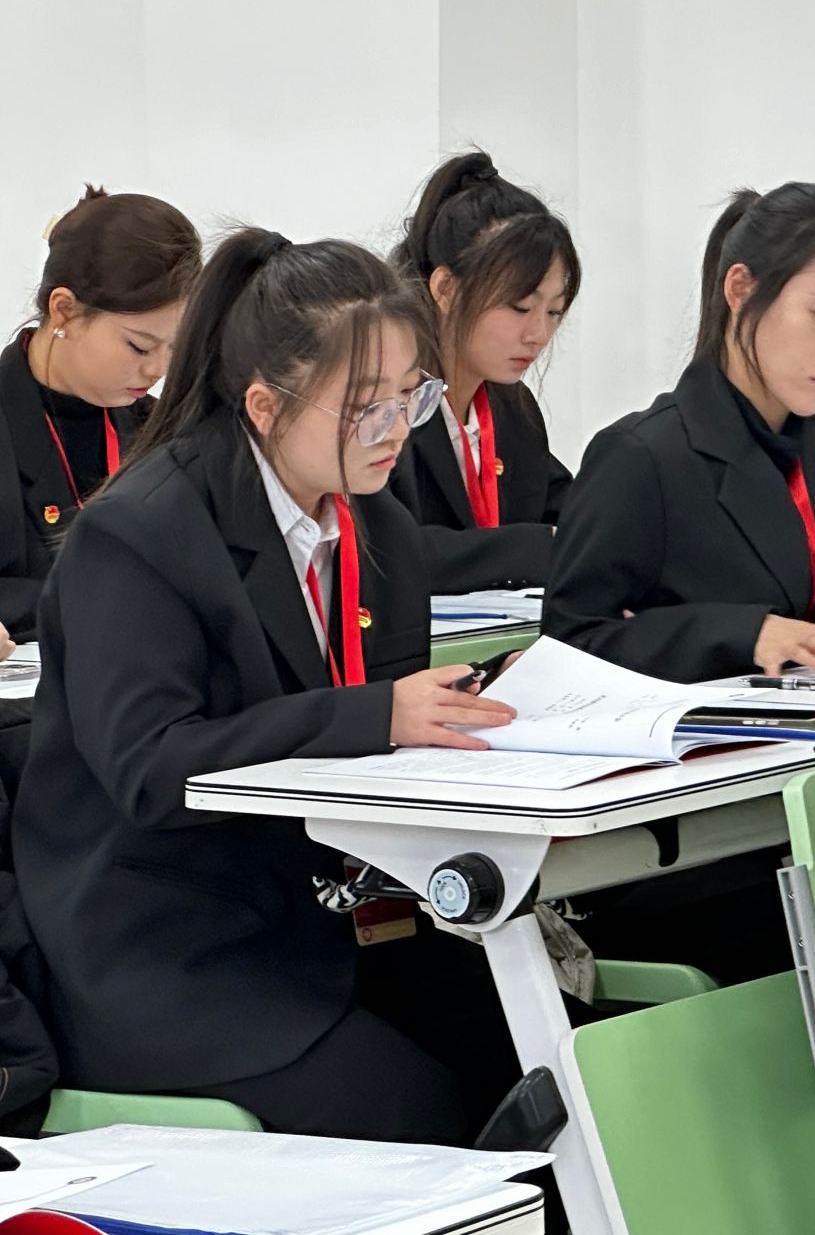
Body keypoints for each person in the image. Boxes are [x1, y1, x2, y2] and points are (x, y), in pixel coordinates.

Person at [11, 231, 516, 1140]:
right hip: (171, 946)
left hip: (331, 919)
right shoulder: (139, 535)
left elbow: (381, 730)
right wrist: (377, 716)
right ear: (264, 404)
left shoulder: (380, 526)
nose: (395, 429)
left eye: (411, 397)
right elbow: (152, 770)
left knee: (547, 1064)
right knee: (418, 1112)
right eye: (365, 405)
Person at [545, 181, 815, 683]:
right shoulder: (642, 456)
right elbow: (571, 644)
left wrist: (810, 647)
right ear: (741, 289)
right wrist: (744, 634)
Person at [0, 186, 201, 639]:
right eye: (139, 346)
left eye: (175, 348)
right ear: (64, 311)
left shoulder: (168, 433)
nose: (158, 369)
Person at [390, 150, 579, 592]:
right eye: (519, 307)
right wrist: (538, 547)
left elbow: (568, 510)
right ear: (446, 288)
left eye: (554, 311)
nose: (538, 334)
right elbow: (386, 550)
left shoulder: (513, 408)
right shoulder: (387, 406)